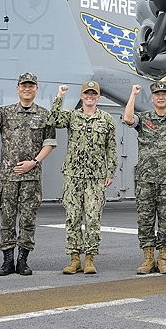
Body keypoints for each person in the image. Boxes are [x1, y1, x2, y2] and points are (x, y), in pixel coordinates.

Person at [0, 72, 57, 276]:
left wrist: (33, 162)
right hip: (8, 177)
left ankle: (23, 261)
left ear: (36, 89)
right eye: (23, 85)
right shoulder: (5, 112)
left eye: (31, 85)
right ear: (17, 88)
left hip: (31, 178)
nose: (27, 88)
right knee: (7, 219)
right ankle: (7, 261)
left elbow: (49, 143)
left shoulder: (44, 114)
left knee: (28, 219)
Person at [50, 81, 117, 274]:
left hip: (95, 178)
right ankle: (74, 259)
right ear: (82, 96)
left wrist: (110, 171)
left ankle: (89, 258)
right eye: (87, 93)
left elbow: (111, 148)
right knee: (72, 218)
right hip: (73, 175)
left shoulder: (106, 119)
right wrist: (60, 96)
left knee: (93, 218)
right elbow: (53, 120)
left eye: (93, 94)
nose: (90, 96)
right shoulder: (72, 116)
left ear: (98, 97)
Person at [122, 81, 166, 274]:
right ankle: (148, 259)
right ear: (152, 98)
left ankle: (163, 258)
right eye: (158, 94)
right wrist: (133, 95)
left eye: (164, 94)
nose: (161, 97)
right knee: (145, 220)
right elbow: (127, 119)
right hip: (146, 180)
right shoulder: (144, 119)